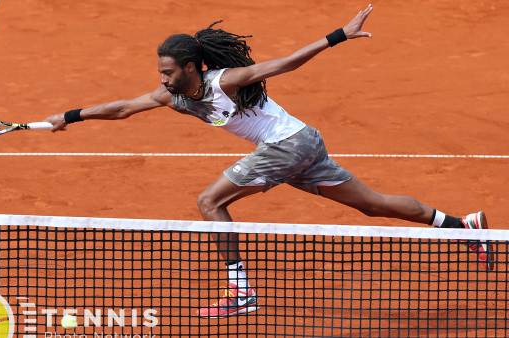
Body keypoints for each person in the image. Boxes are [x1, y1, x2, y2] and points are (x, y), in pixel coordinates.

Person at [44, 4, 493, 319]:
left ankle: (240, 292)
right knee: (371, 205)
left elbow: (283, 64)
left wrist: (338, 36)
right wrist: (68, 117)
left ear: (193, 66)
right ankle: (461, 226)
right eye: (161, 72)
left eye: (168, 71)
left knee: (210, 201)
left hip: (289, 146)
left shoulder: (227, 81)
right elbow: (122, 107)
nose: (161, 79)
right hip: (302, 146)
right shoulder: (174, 96)